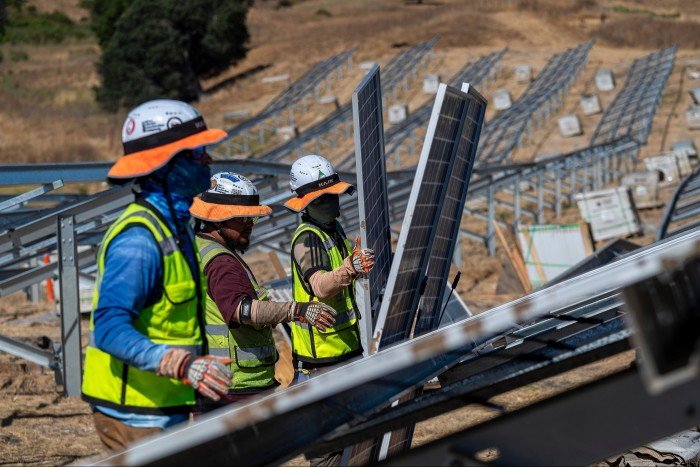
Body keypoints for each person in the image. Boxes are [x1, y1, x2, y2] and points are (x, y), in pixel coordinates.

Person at [81, 99, 233, 450]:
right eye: (196, 153)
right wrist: (180, 364)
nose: (208, 159)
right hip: (136, 418)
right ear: (166, 167)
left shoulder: (174, 230)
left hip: (166, 408)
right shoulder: (139, 240)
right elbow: (108, 327)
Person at [189, 172, 338, 408]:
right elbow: (242, 310)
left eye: (252, 219)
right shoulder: (221, 262)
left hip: (226, 383)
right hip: (239, 387)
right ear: (218, 220)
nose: (249, 225)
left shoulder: (202, 248)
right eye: (242, 219)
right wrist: (297, 309)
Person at [284, 155, 375, 382]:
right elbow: (320, 287)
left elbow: (343, 271)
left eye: (331, 196)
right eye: (320, 199)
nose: (328, 203)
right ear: (305, 203)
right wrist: (350, 269)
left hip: (345, 348)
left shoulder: (333, 228)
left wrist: (357, 266)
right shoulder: (308, 238)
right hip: (322, 360)